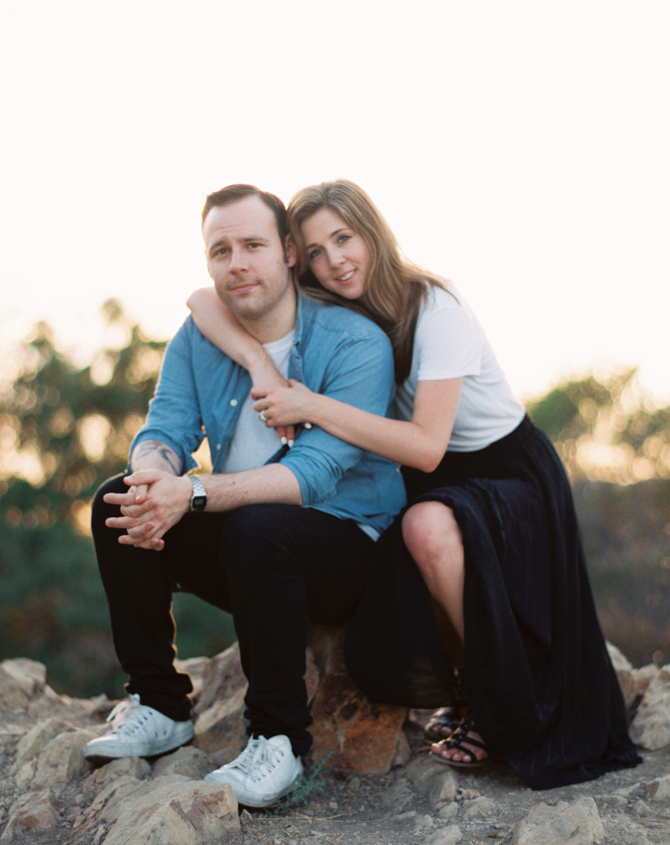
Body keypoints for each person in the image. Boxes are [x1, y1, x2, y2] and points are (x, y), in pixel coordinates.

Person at [186, 180, 641, 790]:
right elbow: (202, 300)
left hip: (503, 472)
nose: (333, 260)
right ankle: (461, 689)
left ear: (374, 234)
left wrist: (309, 403)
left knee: (424, 528)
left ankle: (497, 702)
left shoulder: (436, 310)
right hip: (431, 474)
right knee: (401, 547)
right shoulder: (331, 306)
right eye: (316, 250)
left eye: (344, 239)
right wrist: (262, 365)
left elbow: (428, 447)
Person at [85, 184, 405, 808]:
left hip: (344, 549)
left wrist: (194, 492)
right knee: (116, 502)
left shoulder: (354, 343)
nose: (237, 264)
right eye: (220, 250)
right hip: (248, 545)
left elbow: (312, 475)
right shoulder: (201, 335)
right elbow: (167, 427)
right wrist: (154, 476)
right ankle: (159, 704)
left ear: (289, 251)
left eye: (253, 246)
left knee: (261, 526)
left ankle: (277, 741)